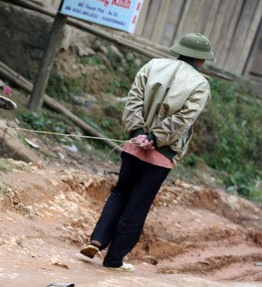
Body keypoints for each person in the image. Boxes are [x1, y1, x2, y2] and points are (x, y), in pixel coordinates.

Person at [79, 33, 214, 272]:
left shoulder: (153, 65)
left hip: (135, 143)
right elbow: (183, 119)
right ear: (201, 60)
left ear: (179, 51)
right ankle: (114, 259)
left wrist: (139, 132)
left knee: (120, 193)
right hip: (161, 154)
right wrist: (155, 138)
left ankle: (98, 239)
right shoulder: (200, 84)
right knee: (138, 204)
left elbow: (134, 99)